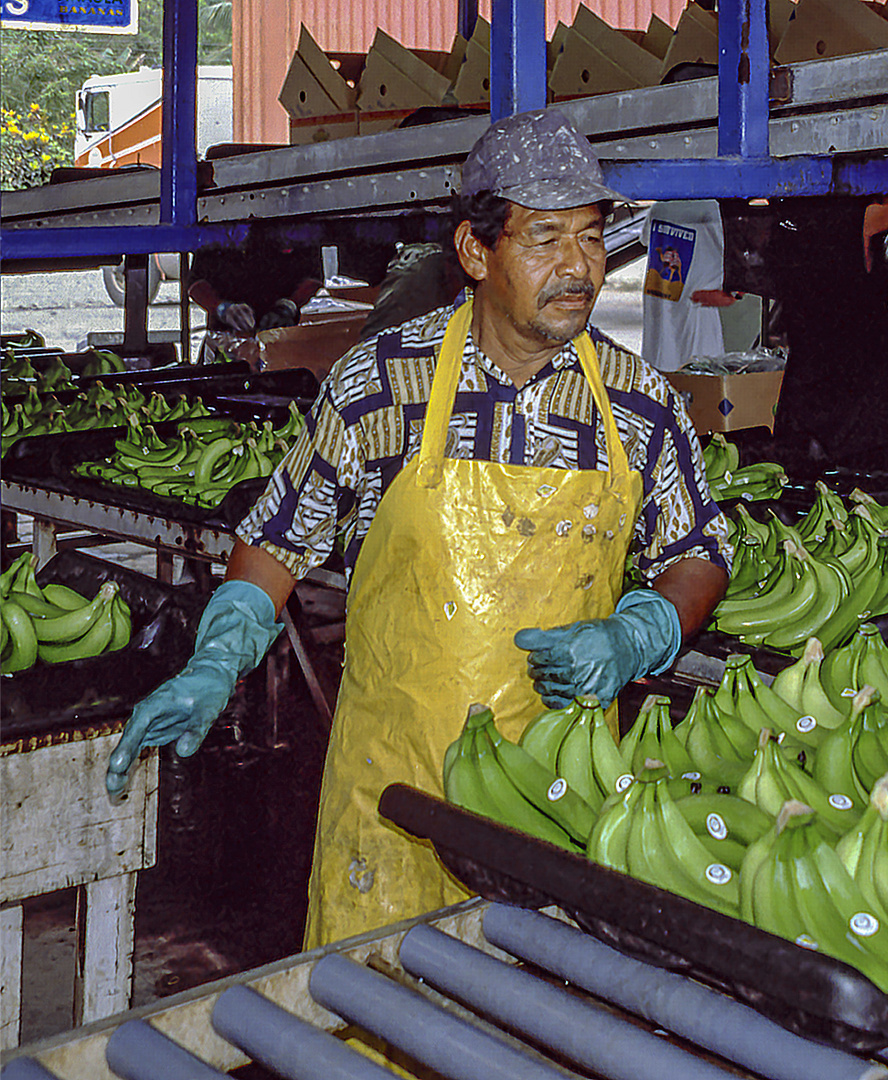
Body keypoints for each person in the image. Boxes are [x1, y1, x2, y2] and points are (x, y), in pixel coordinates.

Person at [104, 110, 733, 948]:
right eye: (544, 238)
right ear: (476, 252)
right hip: (390, 802)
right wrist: (221, 652)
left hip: (558, 801)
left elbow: (699, 552)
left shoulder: (639, 402)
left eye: (589, 237)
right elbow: (284, 532)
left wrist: (644, 629)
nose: (577, 267)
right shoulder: (381, 384)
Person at [640, 199, 735, 372]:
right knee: (704, 378)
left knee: (661, 380)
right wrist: (735, 294)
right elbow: (737, 253)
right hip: (698, 305)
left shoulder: (659, 207)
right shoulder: (709, 207)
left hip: (663, 304)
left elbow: (646, 240)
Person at [189, 234, 325, 335]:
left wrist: (288, 306)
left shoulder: (296, 223)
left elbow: (314, 278)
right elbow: (195, 283)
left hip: (285, 336)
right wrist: (222, 308)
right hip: (226, 338)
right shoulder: (218, 225)